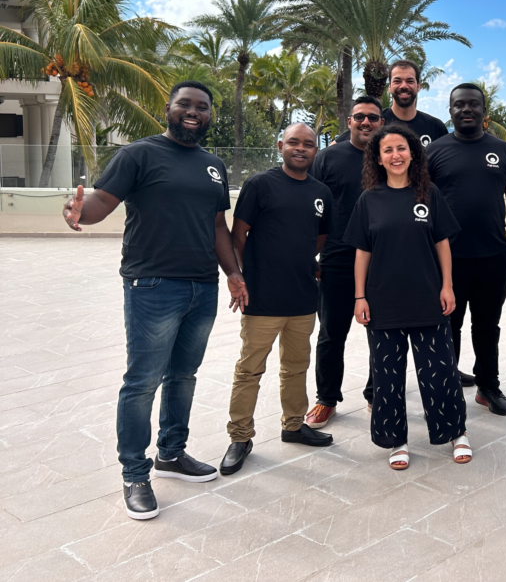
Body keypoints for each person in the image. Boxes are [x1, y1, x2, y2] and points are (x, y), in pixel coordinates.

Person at [61, 81, 248, 521]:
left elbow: (217, 226)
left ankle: (171, 453)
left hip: (202, 287)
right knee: (143, 381)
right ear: (168, 108)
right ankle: (134, 473)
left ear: (209, 115)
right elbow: (102, 201)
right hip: (152, 286)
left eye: (202, 107)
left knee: (183, 375)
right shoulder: (139, 154)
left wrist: (234, 273)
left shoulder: (213, 166)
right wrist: (79, 212)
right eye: (185, 104)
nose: (193, 112)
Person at [345, 124, 470, 469]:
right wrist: (359, 297)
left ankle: (455, 432)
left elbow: (442, 243)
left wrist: (447, 286)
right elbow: (362, 253)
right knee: (387, 377)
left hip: (427, 298)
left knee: (440, 372)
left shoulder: (428, 193)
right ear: (378, 159)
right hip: (383, 302)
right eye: (388, 150)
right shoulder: (369, 200)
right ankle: (395, 440)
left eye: (401, 148)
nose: (395, 155)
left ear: (412, 154)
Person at [220, 123, 336, 476]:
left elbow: (320, 237)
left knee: (296, 366)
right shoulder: (260, 184)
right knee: (249, 369)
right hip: (262, 297)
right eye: (294, 142)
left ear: (315, 151)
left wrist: (300, 262)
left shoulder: (321, 192)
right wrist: (246, 275)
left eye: (308, 144)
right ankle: (240, 437)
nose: (301, 148)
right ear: (280, 145)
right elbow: (238, 235)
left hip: (303, 297)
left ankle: (294, 425)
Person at [427, 84, 506, 416]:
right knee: (447, 327)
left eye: (473, 104)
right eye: (459, 105)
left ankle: (488, 386)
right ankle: (446, 388)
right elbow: (421, 206)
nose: (466, 109)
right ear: (450, 111)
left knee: (487, 327)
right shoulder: (434, 152)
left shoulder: (504, 151)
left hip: (493, 257)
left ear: (484, 112)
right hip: (447, 260)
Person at [305, 97, 385, 430]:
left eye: (373, 118)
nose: (366, 122)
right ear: (349, 121)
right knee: (330, 334)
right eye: (360, 117)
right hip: (336, 259)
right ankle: (326, 398)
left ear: (382, 123)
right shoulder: (327, 158)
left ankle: (377, 394)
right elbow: (308, 207)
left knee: (381, 334)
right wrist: (310, 256)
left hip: (382, 261)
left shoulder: (389, 158)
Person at [382, 59, 450, 149]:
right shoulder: (376, 122)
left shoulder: (436, 127)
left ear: (418, 87)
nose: (404, 86)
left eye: (410, 81)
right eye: (397, 81)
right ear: (389, 87)